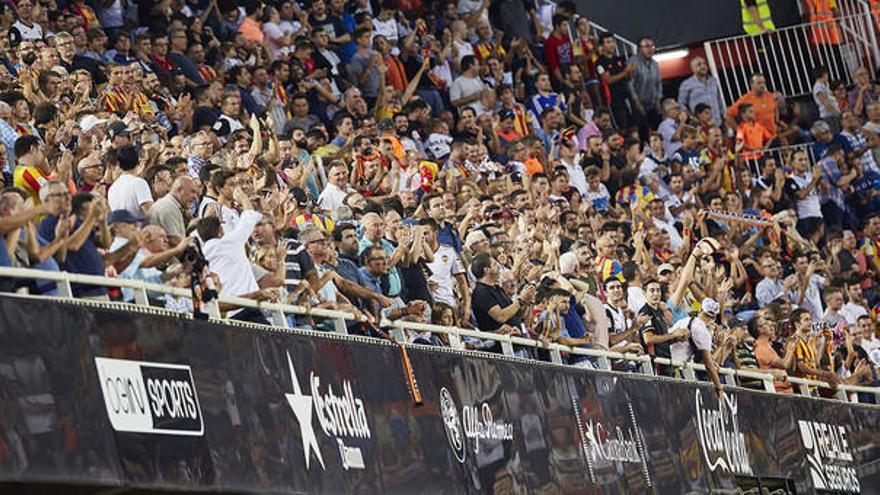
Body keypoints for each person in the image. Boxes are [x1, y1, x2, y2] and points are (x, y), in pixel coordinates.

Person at [198, 187, 272, 324]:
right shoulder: (231, 241)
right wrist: (243, 198)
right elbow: (250, 215)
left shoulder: (201, 256)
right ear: (221, 230)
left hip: (228, 315)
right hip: (249, 309)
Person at [677, 56, 724, 126]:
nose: (703, 66)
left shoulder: (713, 81)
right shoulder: (686, 84)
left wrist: (723, 118)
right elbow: (681, 104)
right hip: (700, 125)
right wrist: (691, 117)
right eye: (699, 65)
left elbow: (719, 101)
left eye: (704, 64)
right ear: (693, 69)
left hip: (717, 123)